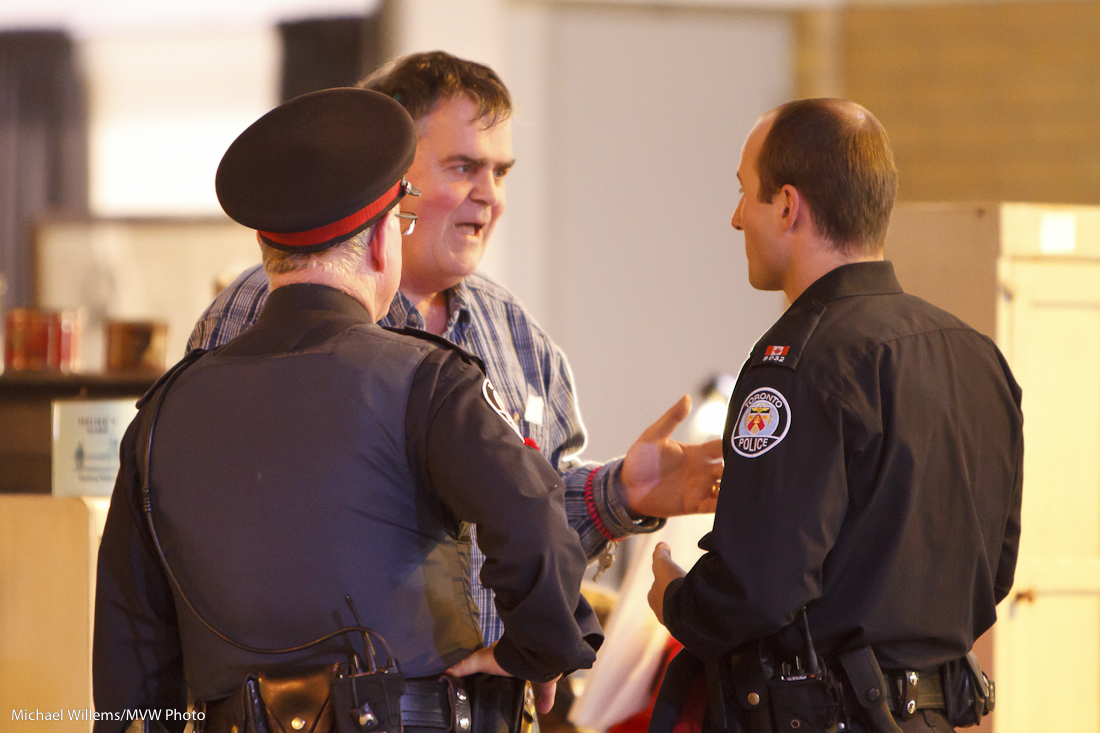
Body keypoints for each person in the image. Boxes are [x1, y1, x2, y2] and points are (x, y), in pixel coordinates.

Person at [93, 87, 600, 732]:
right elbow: (530, 512)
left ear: (270, 250)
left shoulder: (162, 414)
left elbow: (131, 651)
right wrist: (540, 645)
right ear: (384, 242)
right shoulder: (427, 380)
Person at [188, 51, 723, 647]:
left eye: (501, 172)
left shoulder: (519, 338)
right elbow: (213, 523)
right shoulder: (260, 310)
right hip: (328, 689)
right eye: (465, 167)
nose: (490, 195)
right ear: (386, 169)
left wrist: (618, 492)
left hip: (487, 691)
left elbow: (523, 531)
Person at [647, 99, 1023, 733]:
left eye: (745, 194)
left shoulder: (799, 363)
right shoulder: (977, 356)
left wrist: (677, 601)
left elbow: (758, 587)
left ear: (787, 206)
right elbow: (994, 572)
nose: (736, 218)